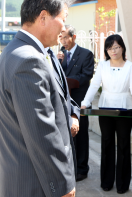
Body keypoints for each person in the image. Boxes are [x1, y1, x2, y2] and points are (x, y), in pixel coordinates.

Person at [0, 0, 80, 197]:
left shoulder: (35, 52)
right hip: (35, 184)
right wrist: (62, 186)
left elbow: (59, 97)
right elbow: (42, 133)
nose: (64, 28)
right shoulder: (28, 60)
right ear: (43, 17)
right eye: (63, 18)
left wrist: (72, 114)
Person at [81, 34, 132, 194]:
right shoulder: (102, 65)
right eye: (110, 48)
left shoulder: (131, 66)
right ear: (106, 50)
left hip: (125, 109)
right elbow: (94, 85)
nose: (113, 51)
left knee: (123, 145)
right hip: (105, 107)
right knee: (106, 143)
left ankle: (123, 184)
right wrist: (85, 102)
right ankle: (106, 181)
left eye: (116, 47)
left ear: (122, 48)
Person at [57, 25, 94, 182]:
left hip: (80, 102)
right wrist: (58, 63)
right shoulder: (60, 55)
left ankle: (81, 169)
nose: (63, 41)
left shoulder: (86, 54)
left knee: (81, 135)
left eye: (66, 37)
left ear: (74, 37)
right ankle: (68, 168)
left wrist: (67, 81)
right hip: (63, 103)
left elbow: (86, 76)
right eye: (61, 38)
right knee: (65, 135)